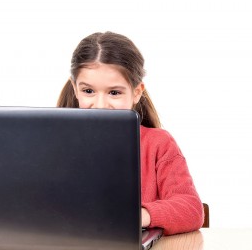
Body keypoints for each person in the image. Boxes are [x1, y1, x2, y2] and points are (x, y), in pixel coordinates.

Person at [56, 31, 204, 235]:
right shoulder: (55, 143)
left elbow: (191, 209)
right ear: (75, 88)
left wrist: (140, 216)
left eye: (114, 93)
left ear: (136, 92)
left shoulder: (158, 144)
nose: (100, 105)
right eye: (88, 91)